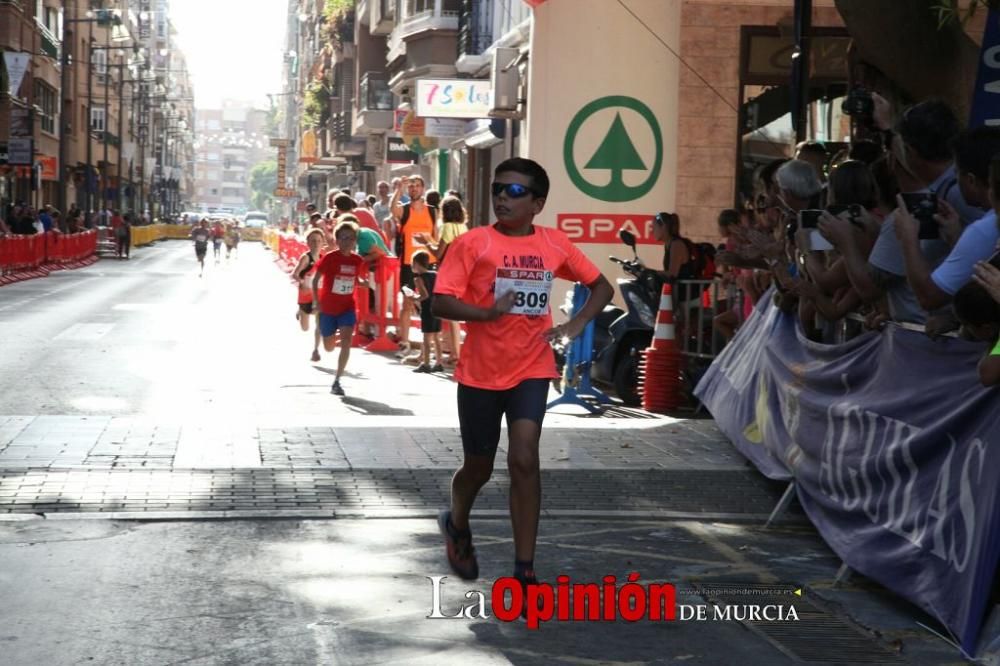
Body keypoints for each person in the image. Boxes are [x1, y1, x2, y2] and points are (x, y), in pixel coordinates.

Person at [431, 158, 614, 595]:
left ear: (538, 203)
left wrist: (573, 326)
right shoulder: (474, 243)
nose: (501, 198)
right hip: (480, 371)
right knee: (478, 466)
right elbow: (440, 302)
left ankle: (525, 570)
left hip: (532, 366)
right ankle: (457, 523)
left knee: (525, 460)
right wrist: (486, 312)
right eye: (498, 189)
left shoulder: (554, 244)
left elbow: (603, 286)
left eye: (514, 192)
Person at [312, 219, 370, 396]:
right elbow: (315, 280)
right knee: (329, 347)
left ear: (355, 241)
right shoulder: (330, 258)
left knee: (346, 342)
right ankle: (326, 337)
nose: (347, 241)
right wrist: (316, 302)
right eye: (343, 237)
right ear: (337, 240)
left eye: (351, 238)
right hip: (328, 308)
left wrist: (362, 283)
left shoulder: (357, 260)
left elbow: (355, 279)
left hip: (347, 308)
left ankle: (337, 380)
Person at [415, 195, 470, 363]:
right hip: (462, 272)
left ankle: (452, 353)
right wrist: (430, 241)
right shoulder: (463, 228)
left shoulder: (447, 227)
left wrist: (425, 242)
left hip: (449, 273)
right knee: (453, 314)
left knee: (446, 313)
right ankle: (453, 351)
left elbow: (439, 253)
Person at [390, 176, 438, 354]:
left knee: (430, 303)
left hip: (429, 263)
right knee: (407, 303)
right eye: (411, 187)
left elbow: (437, 236)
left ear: (423, 189)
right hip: (409, 264)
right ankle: (404, 342)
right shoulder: (405, 211)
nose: (414, 189)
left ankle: (430, 343)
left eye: (417, 186)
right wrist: (398, 190)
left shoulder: (433, 212)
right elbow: (393, 210)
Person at [294, 228, 327, 362]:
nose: (316, 243)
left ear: (323, 242)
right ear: (308, 242)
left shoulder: (324, 257)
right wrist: (302, 283)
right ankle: (301, 311)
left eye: (319, 240)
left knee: (319, 324)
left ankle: (316, 350)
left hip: (319, 296)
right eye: (313, 240)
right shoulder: (306, 258)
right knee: (305, 328)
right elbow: (295, 274)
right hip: (306, 295)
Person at [409, 250, 444, 373]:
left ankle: (426, 363)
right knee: (436, 336)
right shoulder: (435, 274)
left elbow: (424, 295)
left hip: (427, 309)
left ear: (417, 264)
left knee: (426, 338)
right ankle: (439, 362)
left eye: (412, 263)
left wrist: (413, 297)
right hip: (438, 308)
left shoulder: (418, 279)